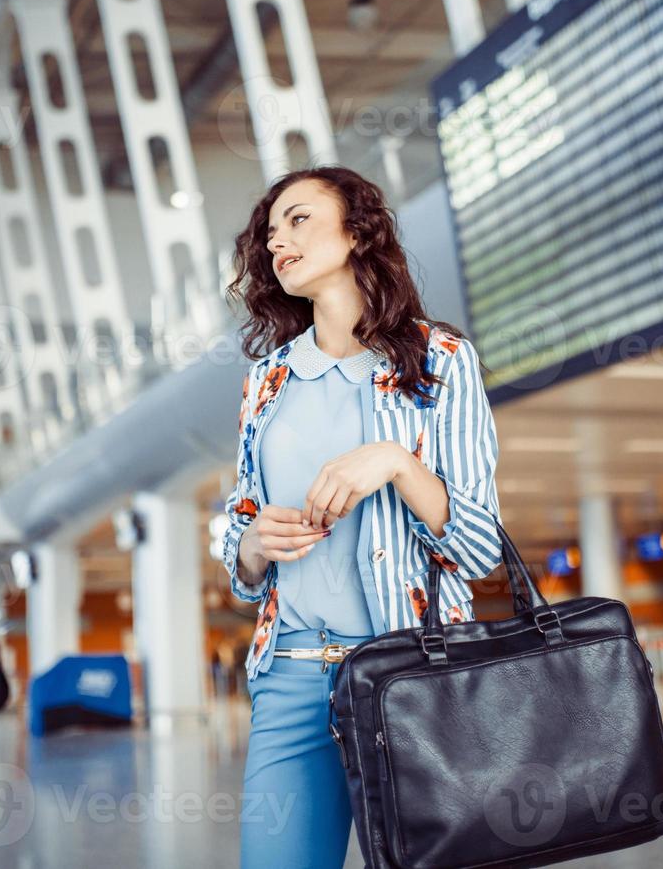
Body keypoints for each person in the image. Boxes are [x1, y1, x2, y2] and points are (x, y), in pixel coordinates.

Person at [220, 166, 504, 868]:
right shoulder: (267, 381)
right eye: (269, 232)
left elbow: (478, 547)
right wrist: (251, 544)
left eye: (298, 220)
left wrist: (398, 465)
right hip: (288, 674)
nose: (276, 241)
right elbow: (241, 541)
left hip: (410, 674)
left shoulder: (439, 360)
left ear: (356, 232)